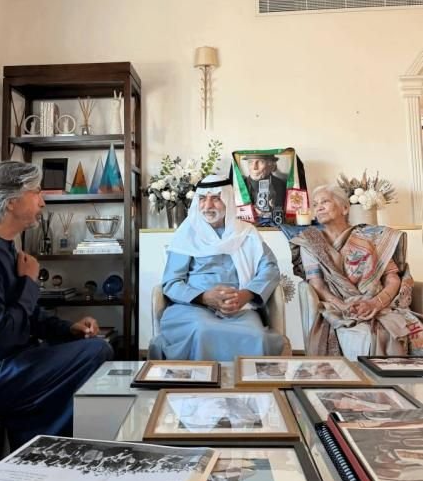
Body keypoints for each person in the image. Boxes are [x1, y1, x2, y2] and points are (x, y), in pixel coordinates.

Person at [0, 160, 113, 449]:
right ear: (11, 201)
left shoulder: (3, 244)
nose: (42, 201)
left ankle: (40, 446)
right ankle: (41, 449)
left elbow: (27, 314)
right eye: (36, 192)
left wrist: (68, 329)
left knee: (93, 346)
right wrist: (28, 281)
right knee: (95, 351)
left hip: (3, 362)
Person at [150, 174, 284, 360]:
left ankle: (245, 380)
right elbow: (172, 283)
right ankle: (204, 379)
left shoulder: (246, 233)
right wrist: (204, 297)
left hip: (238, 308)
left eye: (215, 198)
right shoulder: (187, 234)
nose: (207, 206)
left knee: (256, 336)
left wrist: (245, 295)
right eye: (202, 199)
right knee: (203, 330)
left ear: (228, 200)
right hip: (193, 307)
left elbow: (270, 269)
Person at [290, 184, 423, 359]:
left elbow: (392, 279)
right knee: (374, 334)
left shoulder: (371, 236)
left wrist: (376, 303)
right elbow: (318, 286)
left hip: (378, 303)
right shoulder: (310, 242)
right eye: (315, 204)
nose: (319, 207)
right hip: (340, 306)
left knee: (408, 330)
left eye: (325, 201)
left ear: (345, 208)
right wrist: (343, 306)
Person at [242, 154, 287, 224]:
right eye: (250, 162)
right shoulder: (241, 184)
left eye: (260, 162)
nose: (254, 167)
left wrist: (273, 209)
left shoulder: (280, 185)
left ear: (271, 166)